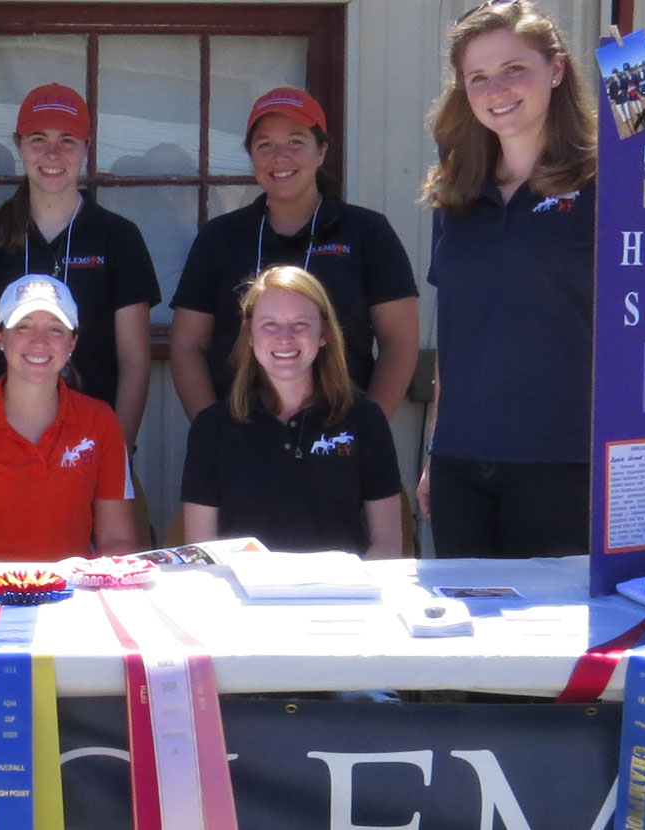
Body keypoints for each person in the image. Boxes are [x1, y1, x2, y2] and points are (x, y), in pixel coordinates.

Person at [416, 0, 598, 558]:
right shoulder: (456, 193)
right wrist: (435, 453)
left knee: (551, 619)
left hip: (565, 461)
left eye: (514, 69)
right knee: (465, 618)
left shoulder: (606, 183)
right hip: (462, 464)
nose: (497, 89)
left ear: (556, 69)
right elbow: (458, 333)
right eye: (478, 77)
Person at [170, 86, 419, 426]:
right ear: (251, 156)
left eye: (295, 142)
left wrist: (368, 430)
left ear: (322, 151)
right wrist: (212, 433)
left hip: (338, 439)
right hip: (241, 438)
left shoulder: (368, 232)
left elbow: (399, 342)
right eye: (265, 145)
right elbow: (187, 345)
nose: (280, 156)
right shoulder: (219, 237)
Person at [0, 83, 160, 443]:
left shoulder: (119, 237)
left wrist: (118, 450)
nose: (52, 153)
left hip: (91, 442)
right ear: (19, 145)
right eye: (38, 139)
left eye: (67, 140)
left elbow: (135, 359)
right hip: (3, 444)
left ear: (87, 147)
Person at [180, 266, 404, 557]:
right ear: (249, 333)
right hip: (245, 587)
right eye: (269, 324)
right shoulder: (211, 427)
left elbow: (387, 545)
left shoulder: (365, 419)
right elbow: (201, 551)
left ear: (324, 332)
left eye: (300, 324)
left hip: (342, 586)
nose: (284, 337)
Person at [0, 275, 136, 560]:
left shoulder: (101, 422)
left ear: (73, 342)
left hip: (72, 588)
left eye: (55, 329)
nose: (39, 342)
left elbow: (117, 542)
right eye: (24, 326)